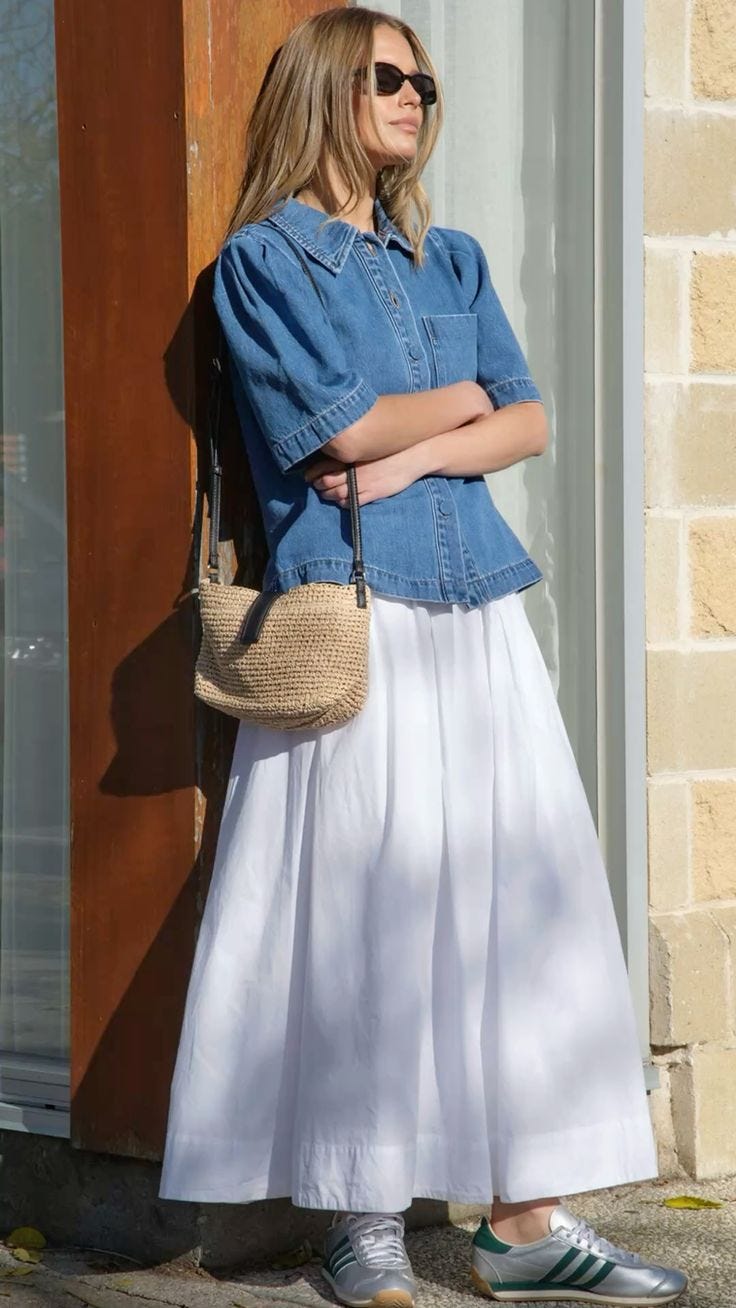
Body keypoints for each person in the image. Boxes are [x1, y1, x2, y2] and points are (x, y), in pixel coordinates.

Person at [158, 8, 687, 1305]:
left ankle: (525, 1225)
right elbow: (336, 429)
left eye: (426, 82)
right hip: (356, 619)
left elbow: (531, 421)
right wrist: (455, 410)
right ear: (325, 91)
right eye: (388, 77)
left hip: (476, 610)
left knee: (517, 906)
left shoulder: (452, 259)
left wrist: (420, 451)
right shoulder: (264, 263)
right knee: (363, 913)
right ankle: (365, 1222)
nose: (414, 97)